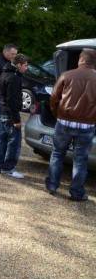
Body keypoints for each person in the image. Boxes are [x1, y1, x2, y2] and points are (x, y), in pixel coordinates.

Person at [45, 49, 96, 201]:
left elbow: (54, 98)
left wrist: (57, 114)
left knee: (57, 154)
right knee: (80, 160)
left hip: (64, 122)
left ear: (80, 59)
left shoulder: (66, 75)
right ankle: (76, 193)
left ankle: (52, 186)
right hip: (87, 126)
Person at [0, 53, 28, 179]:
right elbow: (12, 100)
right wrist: (16, 120)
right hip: (10, 114)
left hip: (2, 111)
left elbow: (0, 93)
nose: (27, 68)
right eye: (25, 65)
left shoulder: (4, 73)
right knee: (13, 143)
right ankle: (8, 168)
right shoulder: (14, 78)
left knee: (2, 140)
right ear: (18, 65)